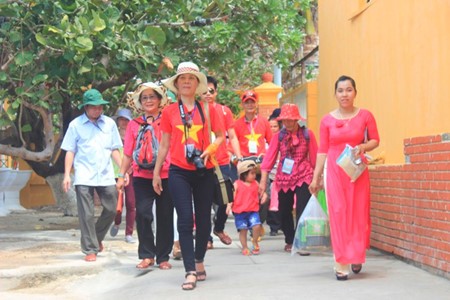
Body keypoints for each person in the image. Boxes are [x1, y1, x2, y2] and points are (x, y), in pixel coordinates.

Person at [153, 62, 225, 291]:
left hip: (204, 170)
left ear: (197, 84)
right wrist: (156, 172)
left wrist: (211, 150)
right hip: (178, 172)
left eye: (191, 79)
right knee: (184, 220)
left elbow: (221, 136)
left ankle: (199, 258)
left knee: (204, 220)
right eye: (182, 79)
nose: (186, 82)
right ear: (176, 84)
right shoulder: (169, 112)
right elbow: (164, 144)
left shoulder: (208, 109)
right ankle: (190, 270)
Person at [309, 75, 380, 281]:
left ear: (355, 92)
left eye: (349, 90)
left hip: (357, 172)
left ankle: (356, 254)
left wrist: (363, 147)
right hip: (335, 172)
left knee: (358, 213)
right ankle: (341, 261)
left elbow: (375, 139)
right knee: (338, 213)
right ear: (335, 94)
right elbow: (323, 150)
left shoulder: (365, 115)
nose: (344, 94)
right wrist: (316, 177)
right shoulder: (327, 120)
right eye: (340, 90)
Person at [116, 82, 174, 270]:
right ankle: (147, 254)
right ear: (140, 102)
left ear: (159, 99)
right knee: (143, 214)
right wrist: (121, 175)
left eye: (152, 97)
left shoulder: (167, 120)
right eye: (145, 98)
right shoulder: (134, 124)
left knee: (165, 216)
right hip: (141, 176)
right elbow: (127, 152)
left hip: (166, 175)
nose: (149, 101)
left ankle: (163, 256)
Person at [61, 89, 122, 262]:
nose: (97, 110)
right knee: (86, 214)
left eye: (100, 107)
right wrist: (67, 175)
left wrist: (124, 170)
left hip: (105, 174)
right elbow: (70, 151)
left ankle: (96, 238)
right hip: (84, 175)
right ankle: (90, 249)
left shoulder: (109, 124)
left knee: (111, 209)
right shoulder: (75, 125)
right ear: (86, 107)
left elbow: (114, 149)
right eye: (94, 107)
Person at [260, 103, 318, 254]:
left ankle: (301, 242)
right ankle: (290, 240)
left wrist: (317, 179)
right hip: (284, 177)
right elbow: (269, 159)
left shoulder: (307, 134)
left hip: (303, 175)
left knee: (302, 209)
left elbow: (314, 158)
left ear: (297, 119)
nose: (288, 123)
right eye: (285, 120)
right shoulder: (278, 137)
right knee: (283, 210)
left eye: (291, 120)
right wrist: (263, 181)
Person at [200, 76, 242, 249]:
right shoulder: (194, 111)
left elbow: (231, 135)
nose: (208, 94)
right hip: (202, 161)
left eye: (211, 91)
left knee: (225, 198)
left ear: (216, 93)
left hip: (222, 160)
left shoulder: (224, 111)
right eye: (204, 91)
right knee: (204, 201)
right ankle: (207, 238)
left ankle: (219, 228)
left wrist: (239, 158)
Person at [234, 90, 272, 237]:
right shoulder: (237, 124)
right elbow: (232, 143)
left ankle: (257, 223)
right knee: (245, 197)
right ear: (243, 104)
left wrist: (266, 155)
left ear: (256, 103)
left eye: (252, 101)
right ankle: (248, 225)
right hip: (245, 167)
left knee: (263, 196)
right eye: (247, 102)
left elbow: (272, 142)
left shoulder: (264, 122)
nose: (249, 104)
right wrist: (237, 157)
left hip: (261, 166)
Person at [227, 160, 267, 256]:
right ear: (244, 174)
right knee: (243, 230)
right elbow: (231, 197)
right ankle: (244, 247)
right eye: (252, 173)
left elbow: (261, 192)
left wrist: (264, 195)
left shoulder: (255, 184)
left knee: (257, 226)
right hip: (240, 212)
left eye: (255, 173)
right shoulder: (237, 184)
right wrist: (229, 206)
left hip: (253, 210)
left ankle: (255, 241)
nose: (254, 176)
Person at [110, 108, 136, 244]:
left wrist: (131, 168)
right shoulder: (112, 136)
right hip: (115, 173)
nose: (124, 122)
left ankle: (129, 233)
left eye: (126, 119)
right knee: (116, 204)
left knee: (131, 203)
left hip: (132, 173)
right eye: (121, 119)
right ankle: (117, 222)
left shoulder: (135, 135)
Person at [266, 108, 282, 236]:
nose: (272, 129)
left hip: (282, 175)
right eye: (270, 126)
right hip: (270, 175)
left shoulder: (283, 139)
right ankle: (273, 226)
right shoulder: (266, 142)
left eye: (275, 126)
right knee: (271, 201)